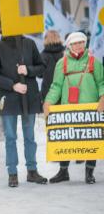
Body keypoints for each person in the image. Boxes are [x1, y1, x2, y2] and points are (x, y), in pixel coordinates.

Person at [43, 32, 104, 184]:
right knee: (66, 139)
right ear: (69, 46)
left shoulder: (93, 61)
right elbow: (56, 86)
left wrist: (103, 98)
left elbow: (101, 82)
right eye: (75, 43)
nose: (78, 45)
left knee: (91, 140)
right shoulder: (61, 63)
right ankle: (63, 172)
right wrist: (48, 102)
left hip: (90, 110)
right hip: (68, 109)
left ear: (85, 44)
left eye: (80, 42)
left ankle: (89, 172)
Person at [0, 35, 48, 187]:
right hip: (9, 97)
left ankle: (32, 170)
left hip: (29, 97)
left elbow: (41, 67)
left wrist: (28, 70)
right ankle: (12, 172)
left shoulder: (29, 43)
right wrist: (12, 85)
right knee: (10, 137)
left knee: (30, 136)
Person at [40, 30, 65, 101]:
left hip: (48, 90)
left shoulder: (43, 55)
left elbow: (39, 74)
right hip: (64, 89)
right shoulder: (65, 53)